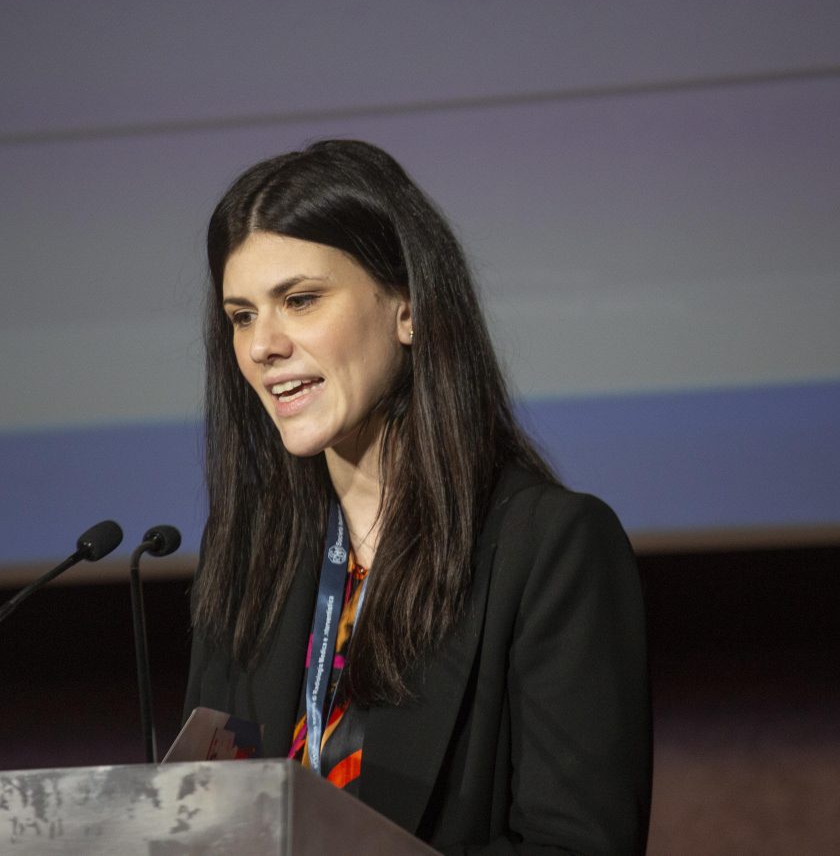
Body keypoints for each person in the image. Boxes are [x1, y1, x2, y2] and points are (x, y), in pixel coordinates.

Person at [183, 139, 651, 854]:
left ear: (409, 308)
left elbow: (577, 844)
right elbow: (210, 819)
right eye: (242, 315)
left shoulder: (549, 548)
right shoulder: (248, 551)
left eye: (299, 301)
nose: (261, 346)